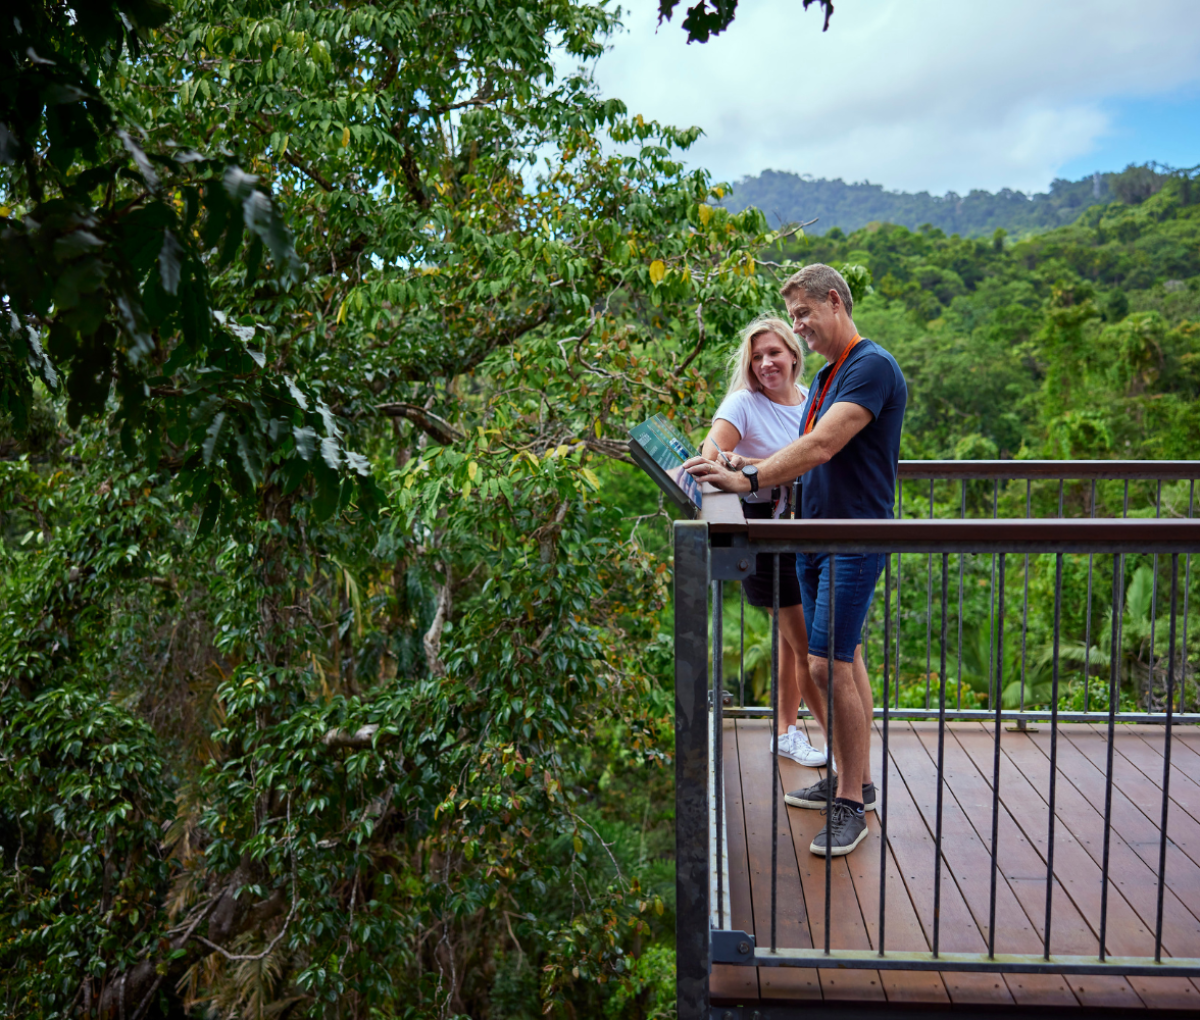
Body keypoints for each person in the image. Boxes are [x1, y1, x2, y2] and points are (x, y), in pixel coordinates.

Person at [685, 264, 907, 858]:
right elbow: (796, 449)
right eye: (794, 318)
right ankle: (853, 780)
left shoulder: (870, 366)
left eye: (804, 315)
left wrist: (749, 475)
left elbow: (821, 444)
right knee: (839, 659)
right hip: (809, 537)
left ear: (834, 302)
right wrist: (732, 470)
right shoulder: (833, 373)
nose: (799, 328)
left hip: (850, 538)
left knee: (825, 666)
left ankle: (851, 807)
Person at [701, 316, 829, 767]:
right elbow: (709, 456)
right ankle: (843, 748)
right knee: (808, 643)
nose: (765, 363)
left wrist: (753, 462)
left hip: (807, 529)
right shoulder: (743, 403)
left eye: (773, 353)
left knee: (797, 641)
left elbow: (820, 459)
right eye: (756, 357)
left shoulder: (812, 399)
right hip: (765, 531)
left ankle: (785, 730)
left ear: (794, 353)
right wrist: (745, 466)